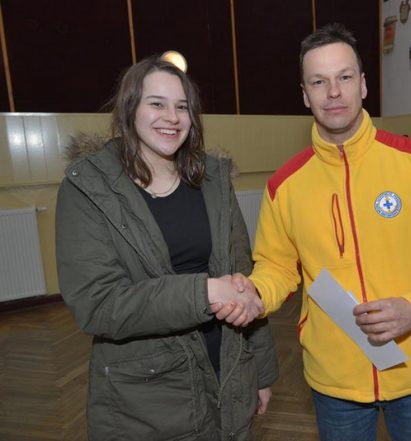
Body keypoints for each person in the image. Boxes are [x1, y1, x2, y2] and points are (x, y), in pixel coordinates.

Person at [232, 23, 411, 441]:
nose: (333, 92)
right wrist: (256, 293)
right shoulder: (285, 186)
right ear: (305, 94)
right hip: (335, 382)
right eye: (319, 81)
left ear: (363, 85)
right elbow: (277, 267)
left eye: (344, 77)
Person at [55, 55, 278, 441]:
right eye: (157, 103)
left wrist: (262, 371)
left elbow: (244, 280)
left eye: (182, 107)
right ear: (130, 109)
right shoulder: (88, 189)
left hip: (229, 373)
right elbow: (99, 304)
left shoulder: (213, 180)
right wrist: (205, 292)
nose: (172, 118)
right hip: (148, 396)